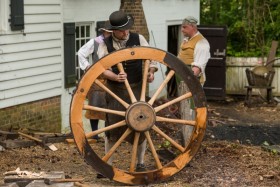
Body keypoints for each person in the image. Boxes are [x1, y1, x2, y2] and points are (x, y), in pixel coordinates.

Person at [97, 10, 157, 172]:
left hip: (137, 87)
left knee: (141, 123)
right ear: (113, 31)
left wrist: (151, 71)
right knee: (111, 127)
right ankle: (108, 165)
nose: (125, 32)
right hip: (116, 90)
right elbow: (102, 69)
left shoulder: (139, 39)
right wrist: (115, 76)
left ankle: (140, 163)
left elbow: (152, 57)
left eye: (127, 29)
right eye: (121, 30)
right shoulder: (105, 44)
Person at [177, 16, 210, 146]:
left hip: (191, 81)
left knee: (191, 110)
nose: (182, 29)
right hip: (183, 81)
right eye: (182, 27)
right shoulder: (187, 40)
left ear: (193, 27)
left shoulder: (201, 43)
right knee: (184, 109)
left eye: (184, 27)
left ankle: (191, 142)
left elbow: (197, 68)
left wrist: (190, 82)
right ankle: (186, 139)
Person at [78, 21, 112, 140]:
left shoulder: (116, 43)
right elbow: (81, 53)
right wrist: (88, 67)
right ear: (104, 31)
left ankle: (109, 133)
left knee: (111, 107)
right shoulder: (96, 42)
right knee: (95, 105)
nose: (110, 34)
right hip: (98, 78)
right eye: (109, 32)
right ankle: (95, 134)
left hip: (113, 77)